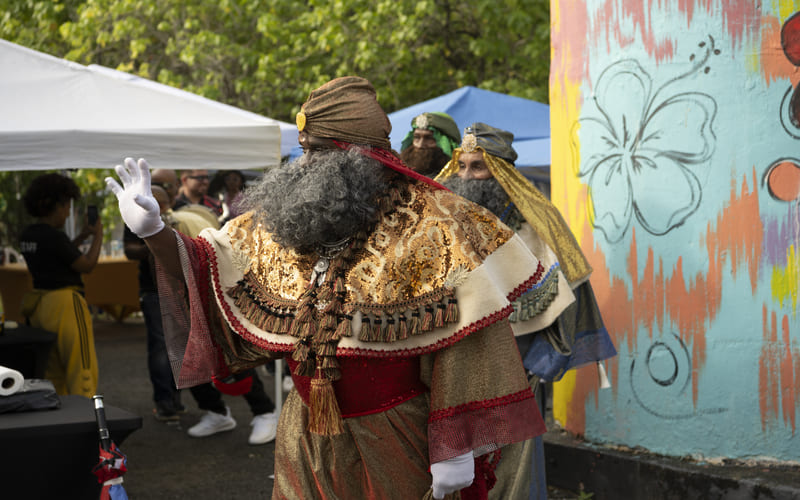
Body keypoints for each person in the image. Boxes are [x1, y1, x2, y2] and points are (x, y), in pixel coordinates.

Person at [106, 76, 575, 499]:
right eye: (303, 148)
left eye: (315, 151)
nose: (302, 164)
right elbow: (212, 263)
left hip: (395, 433)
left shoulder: (439, 221)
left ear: (358, 155)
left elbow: (470, 334)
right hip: (304, 428)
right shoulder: (295, 219)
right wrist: (155, 233)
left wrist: (453, 448)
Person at [436, 122, 617, 499]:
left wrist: (542, 361)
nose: (465, 176)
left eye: (477, 167)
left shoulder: (536, 223)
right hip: (454, 364)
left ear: (501, 173)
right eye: (462, 166)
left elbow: (572, 287)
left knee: (511, 465)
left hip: (515, 365)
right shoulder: (448, 221)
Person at [19, 173, 102, 396]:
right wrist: (97, 236)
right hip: (66, 304)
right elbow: (86, 265)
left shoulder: (29, 235)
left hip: (39, 305)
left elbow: (59, 254)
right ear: (54, 205)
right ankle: (86, 417)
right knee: (81, 367)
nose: (67, 213)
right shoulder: (54, 237)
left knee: (52, 370)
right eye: (66, 206)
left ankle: (58, 420)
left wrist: (83, 234)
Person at [124, 183, 186, 421]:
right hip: (153, 291)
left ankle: (176, 397)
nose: (161, 206)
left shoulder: (178, 216)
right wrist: (151, 242)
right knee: (161, 347)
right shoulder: (135, 218)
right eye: (156, 201)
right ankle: (164, 401)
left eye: (164, 202)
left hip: (178, 289)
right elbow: (129, 251)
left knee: (180, 346)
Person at [400, 112, 461, 177]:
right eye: (417, 137)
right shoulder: (398, 175)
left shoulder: (459, 176)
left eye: (428, 138)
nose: (420, 145)